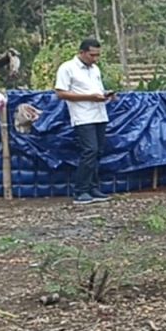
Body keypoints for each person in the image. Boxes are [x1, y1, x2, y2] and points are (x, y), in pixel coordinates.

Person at [55, 39, 115, 206]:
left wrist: (105, 95)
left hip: (99, 114)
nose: (95, 58)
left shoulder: (95, 69)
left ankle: (93, 188)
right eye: (92, 55)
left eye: (97, 55)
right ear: (82, 52)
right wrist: (89, 98)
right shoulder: (67, 68)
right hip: (83, 116)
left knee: (98, 152)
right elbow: (60, 93)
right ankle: (80, 190)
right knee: (90, 151)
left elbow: (96, 90)